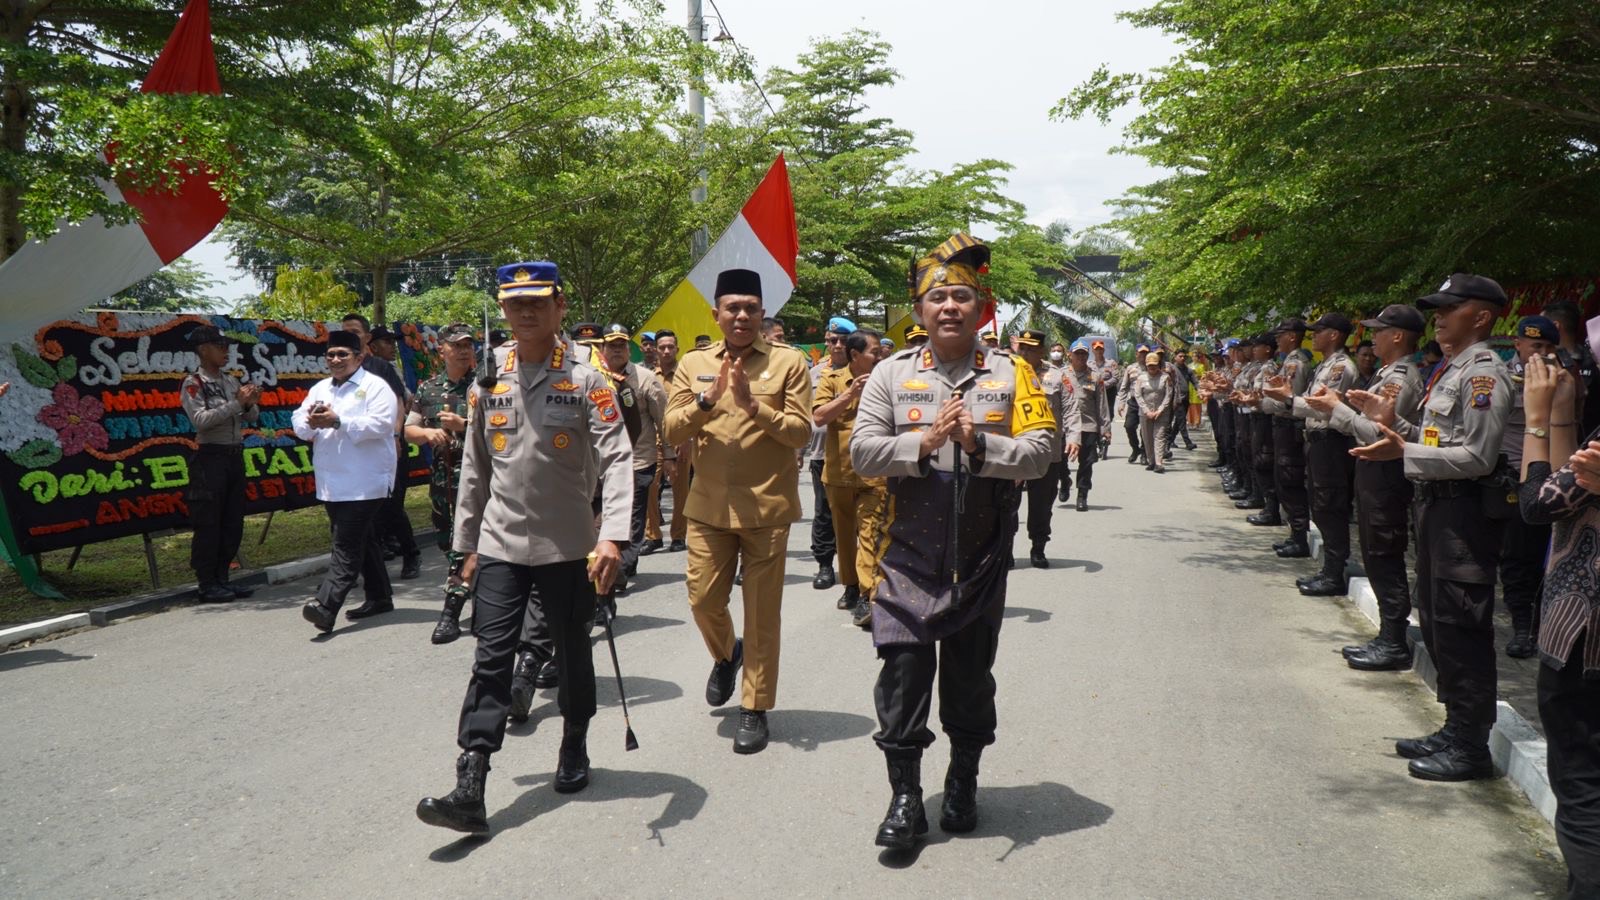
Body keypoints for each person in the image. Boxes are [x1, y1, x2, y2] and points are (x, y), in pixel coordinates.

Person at [851, 233, 1054, 850]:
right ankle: (906, 798)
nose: (948, 307)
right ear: (918, 311)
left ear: (982, 307)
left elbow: (1041, 454)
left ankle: (963, 777)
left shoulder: (1012, 373)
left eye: (961, 297)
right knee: (903, 673)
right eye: (936, 297)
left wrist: (979, 445)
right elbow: (862, 449)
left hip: (981, 550)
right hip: (907, 548)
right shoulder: (889, 375)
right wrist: (925, 444)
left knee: (968, 678)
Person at [415, 261, 632, 834]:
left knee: (571, 653)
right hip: (501, 545)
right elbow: (474, 467)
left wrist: (612, 535)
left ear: (559, 306)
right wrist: (466, 542)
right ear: (505, 311)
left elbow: (617, 456)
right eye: (516, 304)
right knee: (490, 657)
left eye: (538, 302)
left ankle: (575, 742)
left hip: (570, 546)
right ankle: (472, 779)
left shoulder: (589, 379)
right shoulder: (489, 379)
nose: (526, 312)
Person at [1351, 273, 1514, 781]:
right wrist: (1391, 424)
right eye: (1438, 310)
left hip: (1464, 515)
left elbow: (1478, 456)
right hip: (1438, 509)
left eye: (1450, 309)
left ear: (1481, 317)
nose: (1439, 318)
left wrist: (1405, 448)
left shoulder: (1483, 373)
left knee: (1462, 626)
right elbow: (1435, 442)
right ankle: (1455, 726)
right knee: (1440, 622)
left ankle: (1470, 746)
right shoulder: (1448, 371)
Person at [663, 268, 812, 755]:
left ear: (763, 312)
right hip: (707, 506)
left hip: (767, 507)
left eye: (751, 307)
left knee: (762, 615)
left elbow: (799, 433)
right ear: (717, 314)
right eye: (733, 307)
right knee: (704, 600)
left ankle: (754, 707)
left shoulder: (789, 363)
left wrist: (754, 407)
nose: (743, 315)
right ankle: (727, 655)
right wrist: (707, 400)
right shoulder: (693, 363)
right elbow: (671, 431)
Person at [1517, 353, 1600, 898]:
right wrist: (1566, 412)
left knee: (1584, 786)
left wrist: (1538, 417)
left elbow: (1538, 502)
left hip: (1584, 633)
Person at [1318, 305, 1424, 671]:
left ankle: (1394, 640)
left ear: (1397, 336)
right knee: (1375, 551)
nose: (1372, 337)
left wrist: (1337, 409)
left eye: (1379, 331)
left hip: (1388, 473)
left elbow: (1378, 432)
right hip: (1374, 471)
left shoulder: (1401, 378)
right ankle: (1387, 635)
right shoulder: (1386, 374)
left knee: (1384, 553)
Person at [294, 329, 400, 632]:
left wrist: (338, 420)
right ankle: (380, 596)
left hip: (365, 480)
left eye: (343, 354)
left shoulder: (375, 386)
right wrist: (310, 422)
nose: (336, 360)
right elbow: (299, 421)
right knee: (362, 540)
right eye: (331, 355)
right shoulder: (320, 389)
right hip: (332, 480)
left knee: (345, 545)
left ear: (360, 357)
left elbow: (381, 425)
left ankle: (325, 607)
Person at [406, 323, 479, 644]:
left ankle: (450, 612)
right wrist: (427, 433)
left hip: (480, 478)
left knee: (467, 545)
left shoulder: (487, 386)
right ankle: (481, 595)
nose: (464, 350)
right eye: (457, 345)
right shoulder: (428, 389)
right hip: (442, 480)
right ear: (443, 350)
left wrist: (465, 425)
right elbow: (409, 429)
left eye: (468, 345)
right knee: (448, 541)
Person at [179, 325, 260, 602]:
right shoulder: (193, 383)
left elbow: (250, 418)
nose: (226, 351)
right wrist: (237, 405)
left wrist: (250, 403)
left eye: (227, 346)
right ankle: (207, 582)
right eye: (219, 346)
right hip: (210, 458)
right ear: (203, 350)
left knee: (232, 521)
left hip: (234, 456)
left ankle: (223, 577)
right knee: (209, 522)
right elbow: (200, 420)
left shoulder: (230, 380)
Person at [813, 328, 887, 627]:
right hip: (839, 471)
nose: (880, 355)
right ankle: (851, 587)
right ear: (855, 356)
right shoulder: (831, 380)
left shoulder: (888, 380)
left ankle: (869, 596)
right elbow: (819, 417)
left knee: (870, 535)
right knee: (845, 537)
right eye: (874, 351)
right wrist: (850, 393)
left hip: (875, 473)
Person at [1498, 316, 1561, 659]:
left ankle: (1529, 626)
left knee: (1534, 554)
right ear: (1518, 344)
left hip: (1546, 476)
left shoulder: (1561, 379)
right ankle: (1521, 622)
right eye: (1536, 346)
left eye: (1550, 347)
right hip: (1506, 474)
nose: (1542, 355)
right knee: (1512, 555)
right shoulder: (1500, 378)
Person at [342, 314, 420, 579]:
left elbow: (400, 404)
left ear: (366, 338)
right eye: (344, 332)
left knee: (392, 505)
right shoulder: (342, 370)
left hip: (389, 447)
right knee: (361, 512)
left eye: (354, 331)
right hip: (359, 452)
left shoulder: (380, 367)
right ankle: (360, 573)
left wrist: (396, 437)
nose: (349, 336)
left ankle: (411, 554)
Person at [1286, 313, 1358, 596]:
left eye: (1320, 331)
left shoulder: (1341, 368)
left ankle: (1334, 574)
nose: (1313, 335)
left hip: (1331, 443)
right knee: (1322, 508)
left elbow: (1327, 407)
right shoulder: (1324, 366)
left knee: (1331, 508)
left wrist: (1291, 400)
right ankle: (1329, 570)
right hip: (1318, 441)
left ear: (1335, 335)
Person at [596, 324, 667, 590]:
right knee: (603, 518)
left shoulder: (646, 379)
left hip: (638, 460)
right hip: (600, 464)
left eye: (621, 345)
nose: (617, 350)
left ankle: (620, 571)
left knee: (633, 518)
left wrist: (669, 456)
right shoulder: (593, 377)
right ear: (602, 349)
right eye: (611, 345)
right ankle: (623, 562)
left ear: (628, 348)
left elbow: (663, 420)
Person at [1256, 319, 1314, 549]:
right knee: (1283, 479)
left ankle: (1300, 538)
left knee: (1291, 480)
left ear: (1292, 336)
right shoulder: (1287, 361)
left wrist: (1261, 404)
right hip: (1282, 426)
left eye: (1281, 335)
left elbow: (1289, 400)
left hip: (1290, 427)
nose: (1277, 339)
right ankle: (1295, 535)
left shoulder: (1296, 363)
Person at [807, 317, 854, 590]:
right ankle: (825, 565)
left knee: (856, 515)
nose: (836, 345)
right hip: (821, 454)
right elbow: (805, 413)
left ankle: (857, 571)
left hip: (855, 455)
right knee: (824, 512)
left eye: (842, 341)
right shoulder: (814, 374)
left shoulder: (864, 371)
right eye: (831, 340)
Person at [1011, 329, 1064, 566]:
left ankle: (1038, 547)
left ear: (1041, 351)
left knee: (1042, 504)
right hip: (1013, 451)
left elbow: (1069, 408)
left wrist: (1074, 438)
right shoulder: (1006, 371)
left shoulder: (1056, 375)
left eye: (1029, 349)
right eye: (1021, 348)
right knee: (1008, 503)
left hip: (1046, 451)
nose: (1023, 353)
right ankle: (1006, 550)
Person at [643, 330, 688, 555]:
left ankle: (678, 535)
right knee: (650, 487)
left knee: (681, 489)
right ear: (655, 349)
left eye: (671, 346)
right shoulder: (649, 375)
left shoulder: (685, 374)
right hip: (655, 441)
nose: (667, 351)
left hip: (681, 440)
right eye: (662, 347)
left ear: (677, 349)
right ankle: (653, 536)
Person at [1062, 337, 1110, 511]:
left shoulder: (1095, 377)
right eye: (1077, 354)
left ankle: (1082, 495)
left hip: (1088, 426)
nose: (1081, 357)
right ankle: (1065, 480)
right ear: (1070, 355)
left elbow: (1101, 405)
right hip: (1065, 427)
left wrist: (1105, 429)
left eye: (1084, 354)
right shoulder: (1061, 375)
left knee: (1086, 463)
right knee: (1059, 461)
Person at [1134, 351, 1172, 473]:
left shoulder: (1165, 378)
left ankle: (1159, 463)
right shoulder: (1141, 378)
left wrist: (1160, 410)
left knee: (1159, 436)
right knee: (1147, 437)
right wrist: (1146, 411)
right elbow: (1138, 395)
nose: (1152, 367)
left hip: (1162, 413)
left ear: (1159, 364)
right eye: (1150, 365)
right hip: (1145, 413)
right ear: (1146, 365)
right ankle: (1151, 461)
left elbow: (1168, 395)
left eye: (1154, 365)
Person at [1116, 344, 1150, 463]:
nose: (1143, 355)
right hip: (1134, 402)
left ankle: (1145, 453)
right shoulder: (1131, 368)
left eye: (1145, 353)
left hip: (1148, 403)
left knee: (1145, 430)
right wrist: (1121, 403)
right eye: (1141, 353)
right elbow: (1124, 387)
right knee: (1129, 426)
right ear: (1136, 354)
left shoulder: (1152, 368)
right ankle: (1135, 449)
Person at [1092, 340, 1120, 460]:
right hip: (1094, 394)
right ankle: (1097, 444)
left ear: (1103, 350)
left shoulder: (1111, 363)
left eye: (1100, 349)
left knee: (1107, 419)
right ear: (1093, 351)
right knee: (1095, 419)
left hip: (1108, 394)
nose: (1099, 351)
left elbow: (1116, 377)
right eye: (1096, 349)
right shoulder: (1089, 365)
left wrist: (1103, 385)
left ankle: (1105, 445)